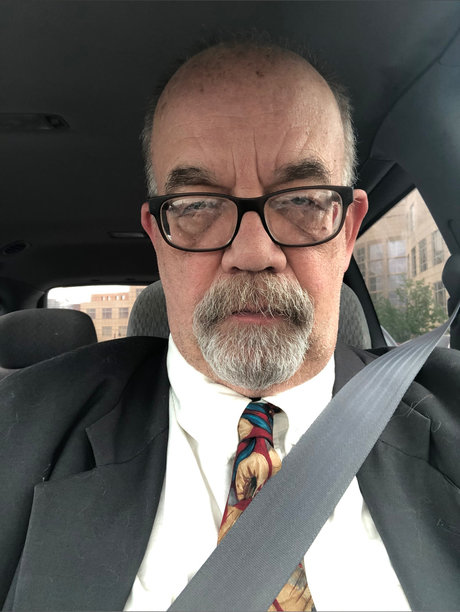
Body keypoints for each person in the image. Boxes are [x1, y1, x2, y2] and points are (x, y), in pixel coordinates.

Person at [1, 38, 459, 612]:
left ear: (347, 231)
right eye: (197, 204)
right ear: (157, 237)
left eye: (301, 200)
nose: (253, 253)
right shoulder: (16, 433)